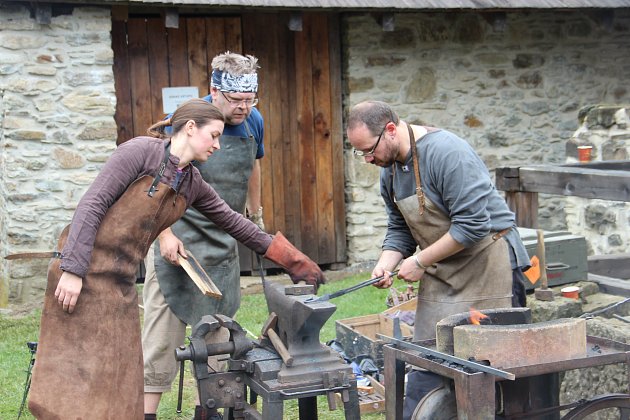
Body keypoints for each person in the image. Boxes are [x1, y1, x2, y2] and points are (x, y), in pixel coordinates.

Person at [28, 98, 325, 420]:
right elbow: (92, 205)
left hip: (120, 283)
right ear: (190, 128)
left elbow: (235, 223)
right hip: (81, 277)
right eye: (213, 136)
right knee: (71, 374)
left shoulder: (191, 182)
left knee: (120, 376)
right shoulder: (139, 152)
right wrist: (73, 269)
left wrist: (293, 261)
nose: (217, 146)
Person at [346, 100, 529, 419]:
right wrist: (387, 261)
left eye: (369, 150)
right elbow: (399, 228)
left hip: (491, 265)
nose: (367, 159)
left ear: (390, 130)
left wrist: (419, 262)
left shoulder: (447, 152)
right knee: (426, 362)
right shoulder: (389, 172)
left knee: (495, 372)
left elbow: (473, 225)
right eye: (359, 152)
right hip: (445, 271)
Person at [142, 52, 268, 420]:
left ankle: (208, 414)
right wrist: (163, 234)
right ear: (215, 90)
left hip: (221, 247)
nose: (244, 107)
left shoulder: (253, 122)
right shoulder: (188, 122)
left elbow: (253, 168)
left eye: (250, 99)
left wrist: (255, 217)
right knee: (160, 344)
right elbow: (155, 186)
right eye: (236, 100)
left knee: (217, 344)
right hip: (176, 245)